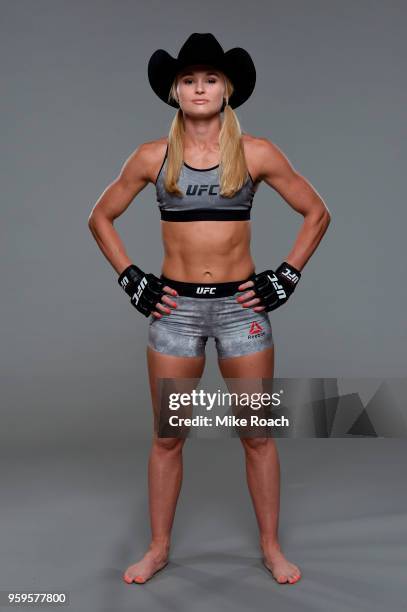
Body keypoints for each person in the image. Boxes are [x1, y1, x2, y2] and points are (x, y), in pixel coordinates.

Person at [88, 32, 331, 586]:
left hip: (240, 309)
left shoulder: (256, 153)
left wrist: (286, 275)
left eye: (211, 79)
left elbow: (316, 212)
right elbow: (100, 217)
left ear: (228, 89)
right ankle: (157, 548)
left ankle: (271, 549)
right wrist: (131, 278)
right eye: (191, 80)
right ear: (175, 91)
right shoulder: (154, 156)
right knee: (169, 436)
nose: (201, 88)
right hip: (174, 311)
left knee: (257, 434)